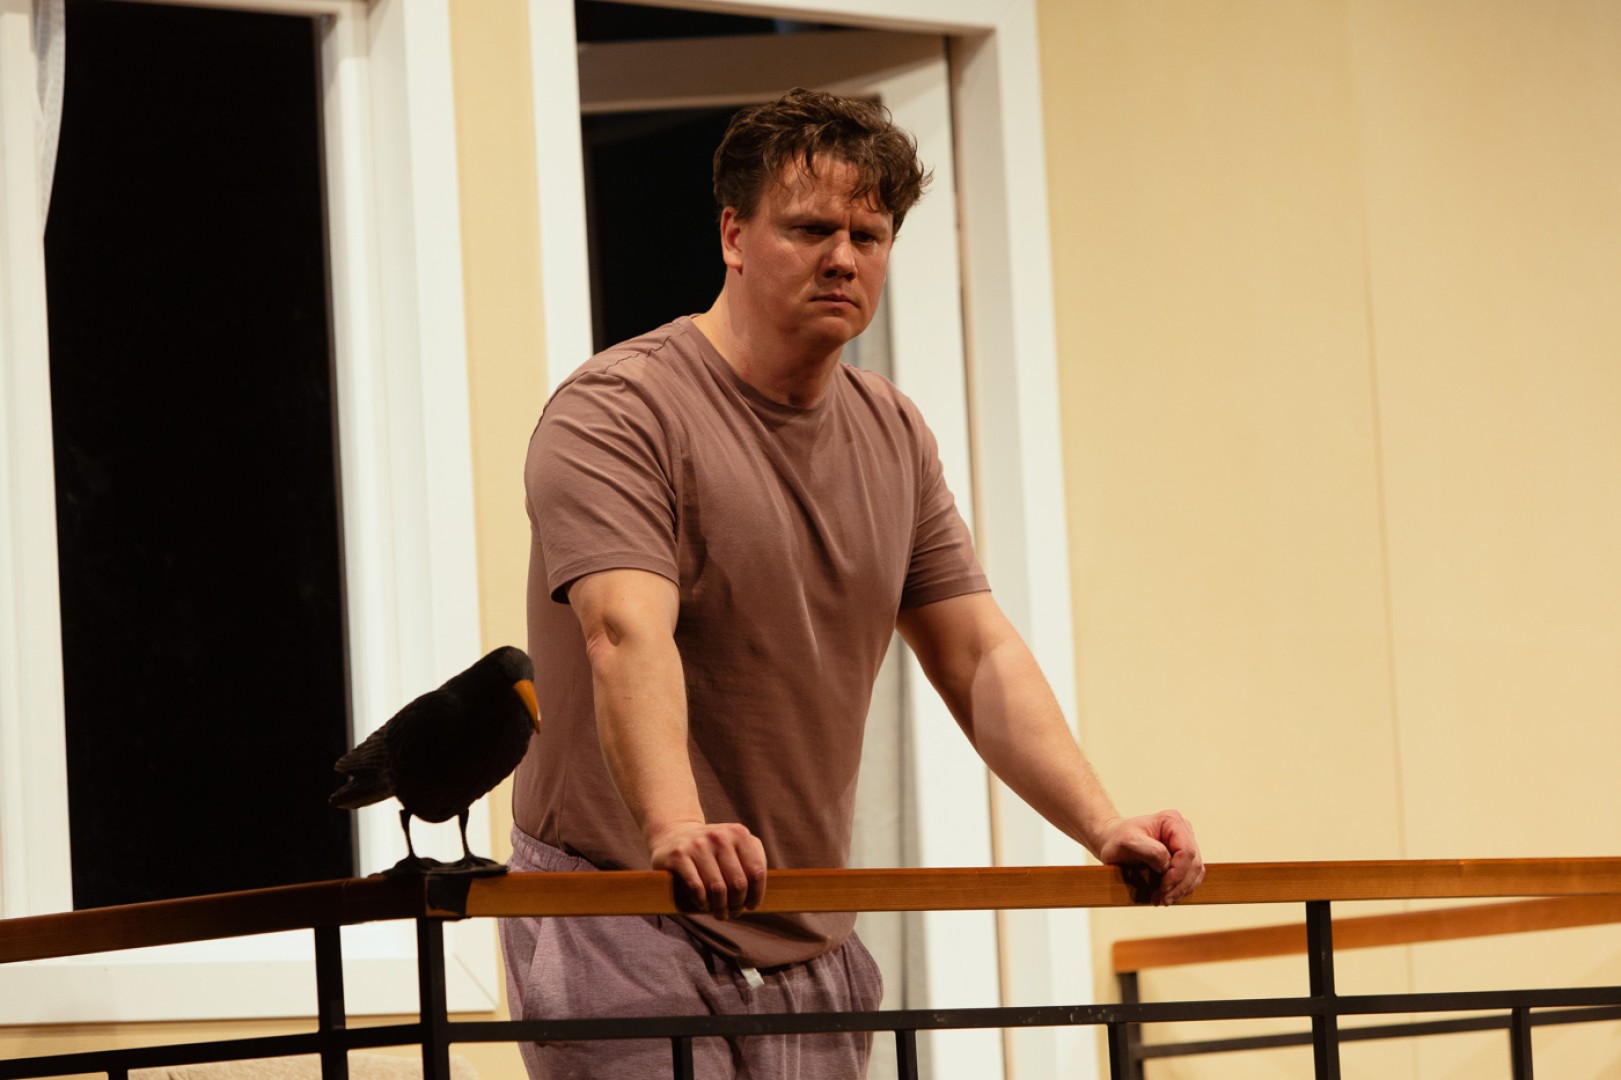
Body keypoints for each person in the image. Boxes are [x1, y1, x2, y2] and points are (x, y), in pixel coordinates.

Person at [502, 87, 1204, 1080]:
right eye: (810, 229)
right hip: (625, 910)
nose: (842, 257)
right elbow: (623, 631)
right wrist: (675, 825)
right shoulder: (620, 409)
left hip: (809, 927)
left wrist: (1101, 824)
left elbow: (977, 652)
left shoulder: (892, 432)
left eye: (867, 236)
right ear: (733, 235)